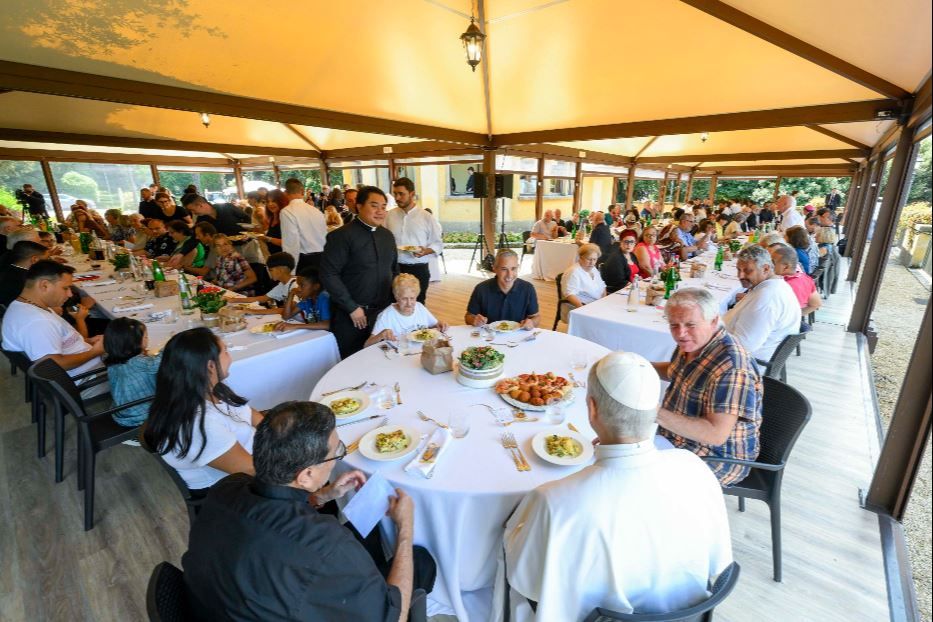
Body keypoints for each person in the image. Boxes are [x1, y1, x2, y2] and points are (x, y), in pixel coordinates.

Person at [496, 352, 732, 621]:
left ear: (592, 409)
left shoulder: (554, 499)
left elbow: (524, 576)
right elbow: (720, 561)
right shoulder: (695, 469)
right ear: (653, 408)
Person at [182, 400, 435, 621]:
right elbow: (396, 617)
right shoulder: (328, 546)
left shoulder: (227, 487)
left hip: (225, 603)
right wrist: (405, 528)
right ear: (306, 475)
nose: (337, 458)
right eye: (336, 452)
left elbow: (275, 511)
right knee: (420, 560)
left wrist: (323, 495)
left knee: (368, 535)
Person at [652, 288, 762, 486]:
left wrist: (649, 411)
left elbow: (714, 435)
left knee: (631, 472)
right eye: (673, 325)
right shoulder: (695, 342)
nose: (680, 333)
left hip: (716, 457)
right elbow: (676, 371)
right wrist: (639, 365)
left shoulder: (732, 366)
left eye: (690, 325)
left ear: (713, 321)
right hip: (676, 436)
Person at [142, 327, 264, 491]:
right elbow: (251, 471)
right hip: (232, 490)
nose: (230, 357)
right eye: (226, 352)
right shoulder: (199, 423)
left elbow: (253, 416)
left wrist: (280, 437)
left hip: (258, 456)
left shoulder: (209, 390)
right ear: (211, 366)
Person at [320, 186, 398, 358]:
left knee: (383, 358)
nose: (380, 211)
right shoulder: (341, 236)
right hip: (351, 315)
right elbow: (328, 274)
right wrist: (351, 307)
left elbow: (394, 271)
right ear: (359, 206)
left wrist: (398, 302)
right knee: (352, 361)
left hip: (382, 314)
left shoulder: (387, 236)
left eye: (384, 207)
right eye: (374, 205)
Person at [1, 261, 105, 380]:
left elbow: (56, 343)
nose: (70, 294)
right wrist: (94, 352)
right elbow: (52, 366)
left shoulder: (24, 306)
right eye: (65, 288)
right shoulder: (38, 322)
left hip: (89, 365)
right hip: (91, 379)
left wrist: (88, 341)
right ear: (44, 285)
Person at [723, 245, 800, 361]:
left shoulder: (767, 298)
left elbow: (743, 346)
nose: (740, 276)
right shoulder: (774, 285)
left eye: (748, 271)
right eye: (738, 270)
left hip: (746, 363)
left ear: (765, 269)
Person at [386, 177, 444, 304]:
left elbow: (438, 243)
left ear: (412, 194)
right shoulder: (389, 215)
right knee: (394, 303)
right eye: (395, 193)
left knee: (417, 304)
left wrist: (426, 251)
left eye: (401, 194)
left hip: (418, 269)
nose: (397, 197)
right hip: (395, 268)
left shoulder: (426, 217)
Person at [103, 317, 160, 428]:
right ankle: (142, 433)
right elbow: (163, 361)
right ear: (134, 343)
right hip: (140, 416)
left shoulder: (113, 358)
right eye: (146, 337)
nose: (147, 339)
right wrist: (169, 345)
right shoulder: (137, 361)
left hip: (122, 411)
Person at [365, 274, 448, 346]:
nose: (409, 303)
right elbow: (366, 345)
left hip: (422, 352)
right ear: (396, 297)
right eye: (404, 299)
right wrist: (380, 335)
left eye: (412, 298)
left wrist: (440, 325)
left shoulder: (420, 307)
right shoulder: (387, 315)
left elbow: (434, 326)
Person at [465, 249, 540, 329]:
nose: (509, 275)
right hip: (489, 336)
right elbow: (468, 316)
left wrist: (531, 322)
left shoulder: (528, 289)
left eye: (513, 268)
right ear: (495, 268)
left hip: (518, 336)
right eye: (504, 269)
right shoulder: (481, 289)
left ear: (518, 267)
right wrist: (474, 320)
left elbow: (535, 317)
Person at [769, 244, 821, 328]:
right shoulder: (806, 279)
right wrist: (796, 315)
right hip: (793, 326)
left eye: (773, 262)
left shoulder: (780, 285)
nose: (770, 265)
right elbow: (816, 304)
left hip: (777, 327)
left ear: (786, 267)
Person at [280, 177, 327, 272]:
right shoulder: (316, 211)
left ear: (285, 193)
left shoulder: (287, 211)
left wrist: (290, 271)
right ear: (302, 191)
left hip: (304, 261)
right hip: (323, 257)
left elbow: (291, 243)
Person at [277, 266, 331, 332]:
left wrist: (294, 326)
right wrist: (291, 294)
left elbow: (327, 325)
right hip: (317, 334)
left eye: (302, 285)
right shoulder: (307, 299)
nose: (298, 289)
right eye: (298, 285)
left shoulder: (324, 298)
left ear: (316, 286)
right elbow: (286, 316)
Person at [0, 240, 50, 307]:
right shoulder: (23, 281)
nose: (47, 263)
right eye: (46, 259)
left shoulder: (8, 268)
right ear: (34, 259)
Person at [561, 243, 607, 308]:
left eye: (594, 259)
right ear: (581, 258)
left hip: (598, 304)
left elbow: (602, 286)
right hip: (585, 306)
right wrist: (582, 309)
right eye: (589, 259)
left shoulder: (593, 269)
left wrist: (603, 302)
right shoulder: (574, 272)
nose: (592, 262)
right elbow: (569, 294)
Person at [184, 193, 249, 237]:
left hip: (247, 244)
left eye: (192, 209)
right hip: (227, 250)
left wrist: (247, 233)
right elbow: (195, 235)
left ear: (200, 205)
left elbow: (246, 217)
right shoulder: (201, 220)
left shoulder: (227, 207)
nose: (193, 212)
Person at [258, 188, 287, 254]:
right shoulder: (272, 218)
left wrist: (268, 239)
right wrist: (258, 232)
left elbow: (288, 243)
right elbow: (271, 235)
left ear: (281, 201)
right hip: (274, 256)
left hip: (284, 258)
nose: (270, 204)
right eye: (268, 202)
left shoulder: (285, 218)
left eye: (273, 201)